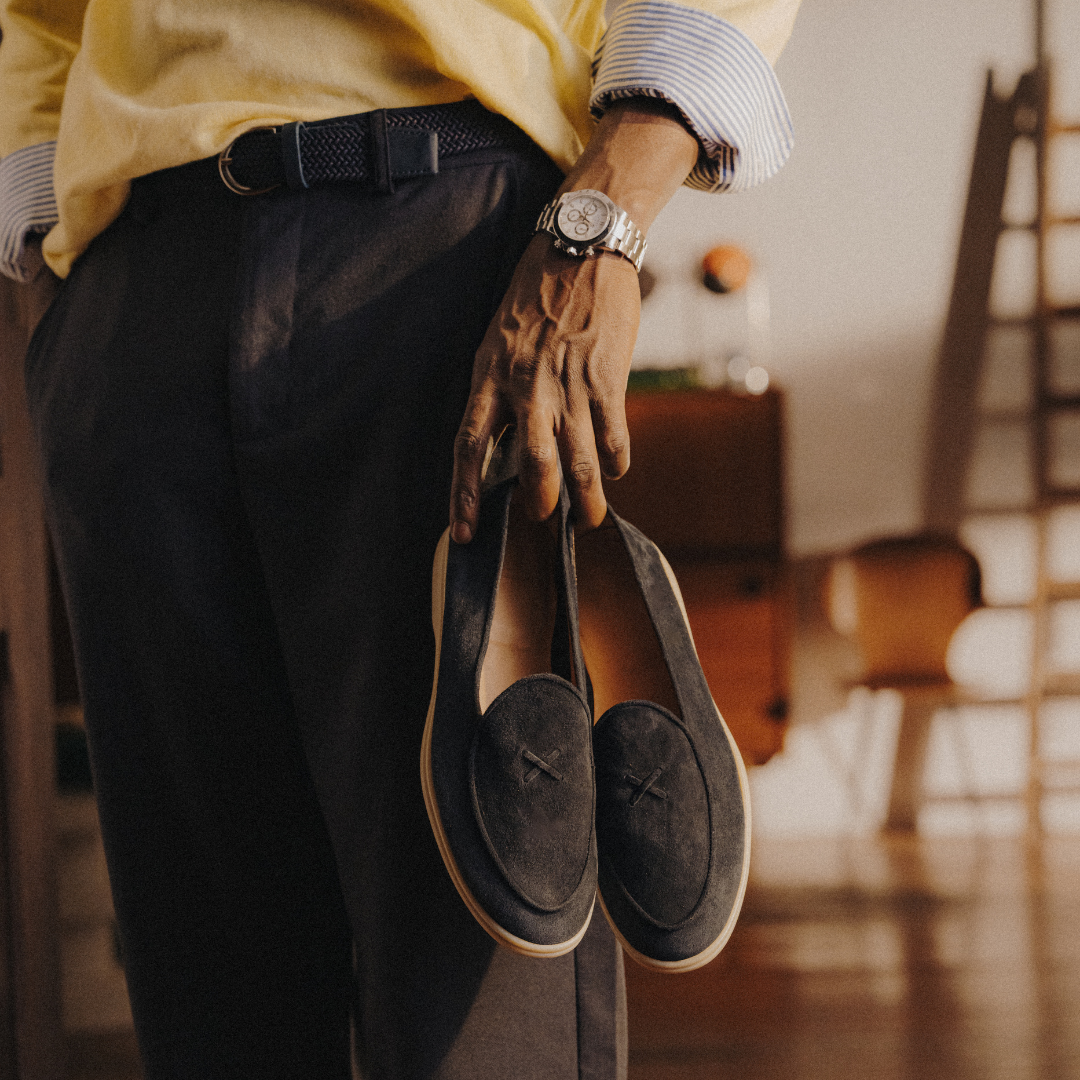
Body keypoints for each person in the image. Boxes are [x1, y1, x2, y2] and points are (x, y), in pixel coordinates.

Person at [0, 1, 800, 1076]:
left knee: (484, 980)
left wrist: (607, 209)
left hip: (450, 259)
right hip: (139, 298)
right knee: (210, 1001)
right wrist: (49, 257)